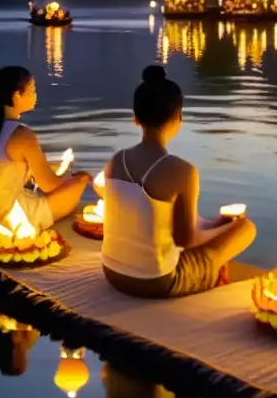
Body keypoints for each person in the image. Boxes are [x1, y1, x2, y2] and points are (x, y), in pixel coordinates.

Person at [101, 66, 256, 298]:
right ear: (178, 117)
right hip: (156, 281)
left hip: (111, 272)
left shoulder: (115, 161)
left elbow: (153, 218)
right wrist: (228, 228)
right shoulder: (183, 171)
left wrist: (215, 224)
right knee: (246, 229)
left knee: (216, 228)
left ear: (135, 117)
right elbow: (187, 240)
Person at [0, 66, 90, 230]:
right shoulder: (22, 134)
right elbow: (49, 185)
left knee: (45, 182)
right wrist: (76, 179)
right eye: (32, 90)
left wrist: (46, 168)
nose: (35, 95)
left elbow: (2, 166)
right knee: (78, 184)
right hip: (6, 215)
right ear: (17, 95)